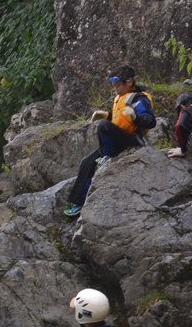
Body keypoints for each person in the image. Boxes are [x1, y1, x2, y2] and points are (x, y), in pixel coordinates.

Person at [64, 66, 156, 216]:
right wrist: (106, 115)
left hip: (133, 141)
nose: (116, 89)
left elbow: (151, 121)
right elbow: (119, 120)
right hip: (118, 140)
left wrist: (136, 117)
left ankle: (106, 158)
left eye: (118, 85)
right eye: (114, 86)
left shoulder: (139, 99)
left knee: (103, 127)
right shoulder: (120, 98)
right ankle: (78, 202)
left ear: (129, 82)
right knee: (86, 162)